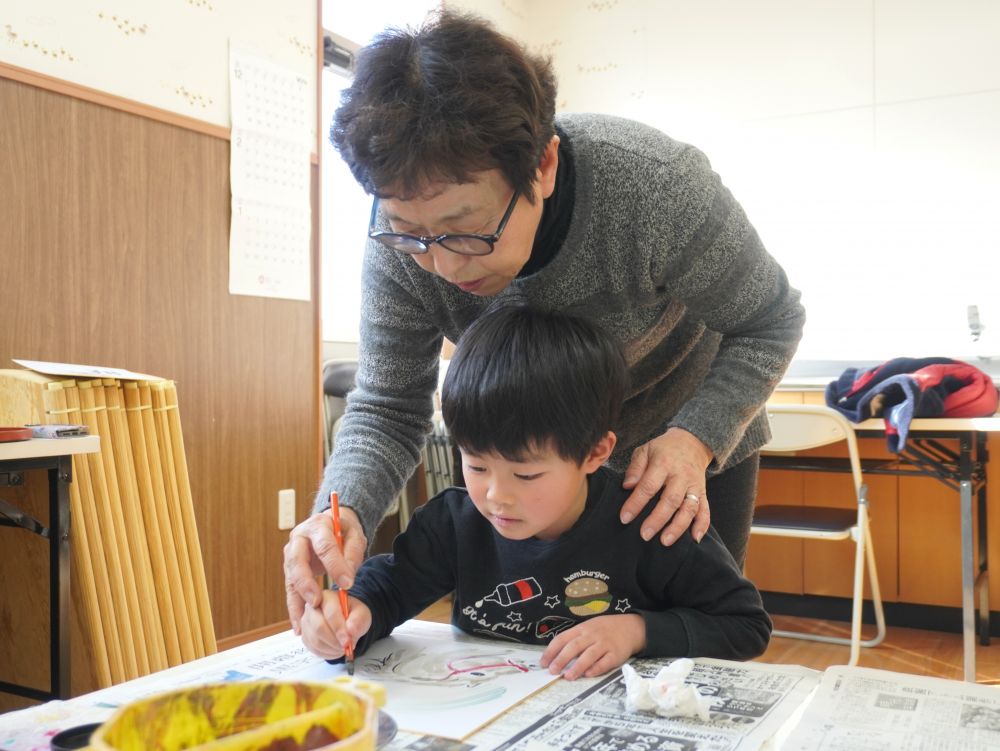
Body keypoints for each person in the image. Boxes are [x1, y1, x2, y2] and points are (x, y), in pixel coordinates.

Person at [285, 10, 804, 634]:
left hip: (679, 435)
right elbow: (388, 406)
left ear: (545, 165)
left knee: (684, 642)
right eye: (410, 232)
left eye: (468, 230)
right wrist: (342, 510)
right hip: (522, 459)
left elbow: (771, 321)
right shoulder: (402, 244)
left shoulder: (656, 187)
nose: (443, 264)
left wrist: (696, 438)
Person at [300, 305, 772, 678]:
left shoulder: (650, 522)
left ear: (595, 452)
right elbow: (390, 588)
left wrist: (637, 631)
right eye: (476, 465)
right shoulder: (455, 523)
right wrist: (352, 617)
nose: (496, 496)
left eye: (526, 475)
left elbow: (745, 626)